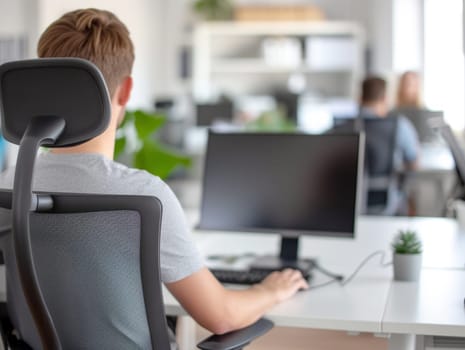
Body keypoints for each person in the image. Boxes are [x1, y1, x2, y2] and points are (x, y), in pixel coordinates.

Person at [0, 8, 308, 348]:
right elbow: (221, 316)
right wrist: (269, 290)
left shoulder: (7, 187)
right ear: (126, 91)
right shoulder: (143, 195)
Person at [356, 76, 420, 216]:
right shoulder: (400, 126)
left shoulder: (345, 127)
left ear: (360, 98)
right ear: (385, 98)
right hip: (389, 206)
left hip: (349, 206)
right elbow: (414, 163)